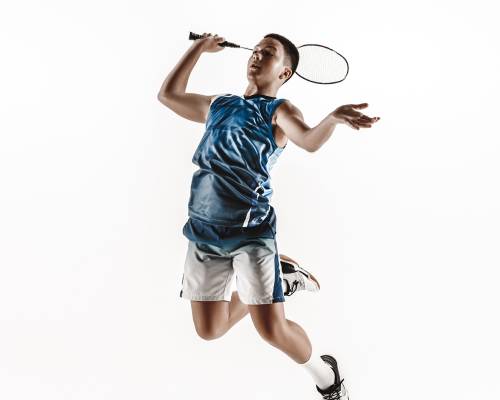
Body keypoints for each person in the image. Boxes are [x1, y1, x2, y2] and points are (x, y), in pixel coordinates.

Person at [158, 32, 380, 399]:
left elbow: (308, 140)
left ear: (285, 73)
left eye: (269, 53)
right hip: (202, 232)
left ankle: (327, 378)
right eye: (257, 50)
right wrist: (198, 47)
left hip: (251, 233)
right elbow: (168, 95)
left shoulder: (280, 111)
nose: (257, 56)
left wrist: (332, 119)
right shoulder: (219, 104)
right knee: (209, 330)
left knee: (271, 331)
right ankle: (279, 272)